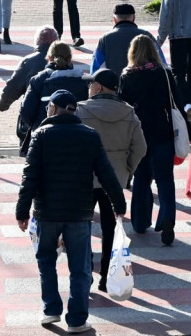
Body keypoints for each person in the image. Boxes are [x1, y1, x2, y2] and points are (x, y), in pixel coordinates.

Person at [15, 89, 125, 333]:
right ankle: (76, 320)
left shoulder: (41, 135)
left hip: (47, 212)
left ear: (53, 108)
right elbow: (106, 174)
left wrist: (22, 211)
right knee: (80, 267)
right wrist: (119, 204)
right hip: (79, 213)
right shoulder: (89, 136)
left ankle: (51, 310)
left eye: (48, 107)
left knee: (46, 260)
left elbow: (29, 176)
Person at [117, 35, 191, 246]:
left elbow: (123, 108)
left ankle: (141, 221)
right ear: (153, 51)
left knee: (142, 177)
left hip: (139, 134)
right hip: (163, 132)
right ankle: (167, 216)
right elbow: (177, 104)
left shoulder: (127, 76)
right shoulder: (164, 74)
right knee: (165, 179)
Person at [75, 68, 146, 293]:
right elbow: (141, 147)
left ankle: (85, 275)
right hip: (114, 179)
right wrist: (127, 170)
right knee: (109, 230)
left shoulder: (80, 110)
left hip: (85, 178)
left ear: (98, 87)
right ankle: (106, 278)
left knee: (82, 229)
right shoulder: (129, 113)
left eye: (91, 84)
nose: (88, 88)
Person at [19, 42, 90, 156]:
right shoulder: (83, 80)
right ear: (70, 58)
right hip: (77, 136)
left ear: (49, 58)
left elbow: (26, 112)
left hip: (45, 136)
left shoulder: (39, 80)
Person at [0, 26, 60, 113]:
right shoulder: (65, 61)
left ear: (38, 40)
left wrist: (4, 104)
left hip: (33, 113)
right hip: (61, 112)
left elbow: (14, 86)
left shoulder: (29, 61)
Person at [91, 3, 161, 76]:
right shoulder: (146, 36)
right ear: (133, 18)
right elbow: (161, 62)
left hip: (114, 85)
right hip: (146, 84)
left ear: (114, 19)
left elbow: (96, 69)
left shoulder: (105, 39)